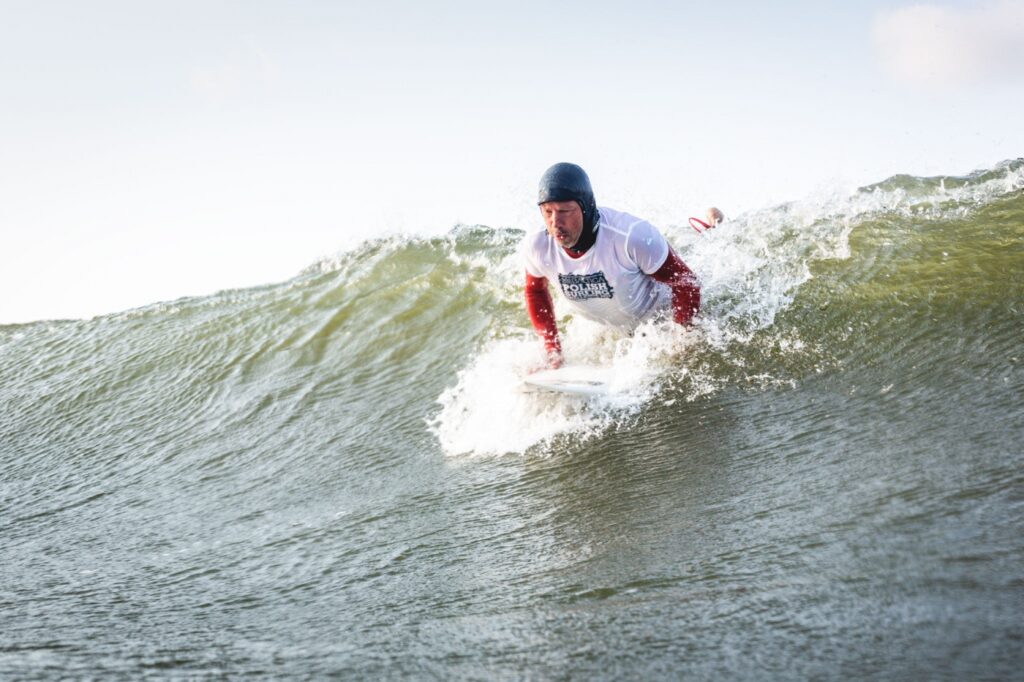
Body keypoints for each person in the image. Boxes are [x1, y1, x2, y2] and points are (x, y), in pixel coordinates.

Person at [521, 162, 702, 368]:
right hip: (613, 329)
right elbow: (535, 291)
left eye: (565, 211)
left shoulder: (631, 237)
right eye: (547, 212)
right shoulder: (537, 245)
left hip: (659, 323)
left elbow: (686, 282)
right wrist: (551, 349)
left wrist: (680, 339)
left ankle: (710, 225)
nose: (555, 222)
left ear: (586, 207)